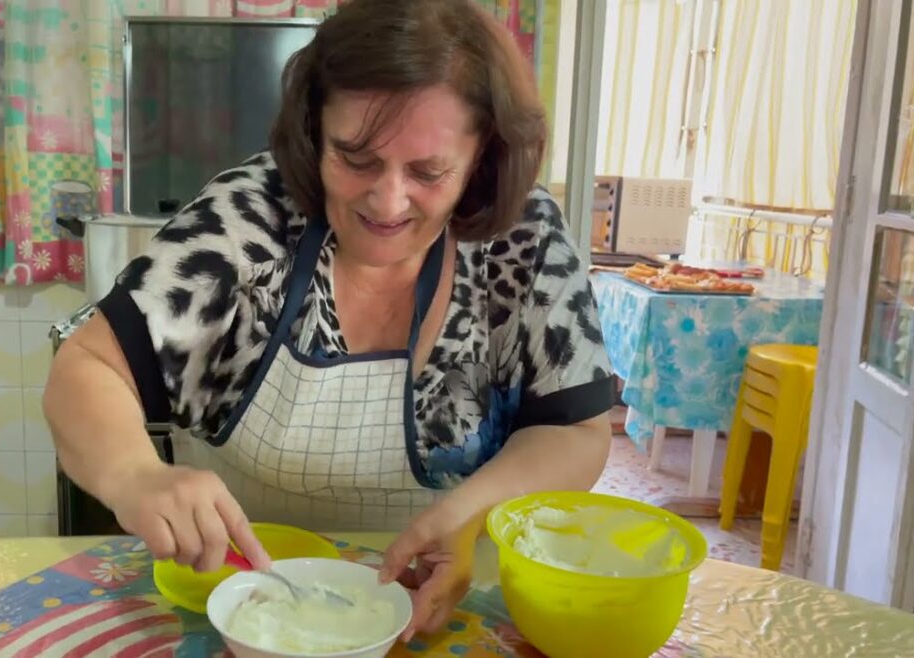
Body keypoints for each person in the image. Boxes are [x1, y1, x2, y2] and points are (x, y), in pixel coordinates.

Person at [44, 0, 614, 640]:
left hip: (449, 606)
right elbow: (88, 366)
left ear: (481, 157)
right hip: (244, 604)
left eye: (428, 171)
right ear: (314, 133)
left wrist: (470, 512)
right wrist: (134, 474)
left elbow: (576, 431)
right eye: (356, 157)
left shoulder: (523, 236)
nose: (388, 200)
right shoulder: (251, 214)